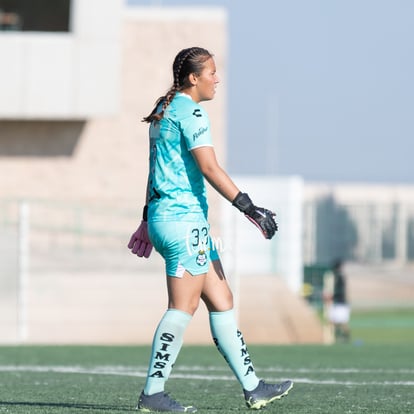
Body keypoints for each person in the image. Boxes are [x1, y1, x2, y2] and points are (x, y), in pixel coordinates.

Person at [128, 46, 293, 412]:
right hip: (183, 223)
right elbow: (210, 168)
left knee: (222, 301)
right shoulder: (192, 112)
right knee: (181, 308)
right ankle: (152, 394)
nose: (217, 79)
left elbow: (157, 170)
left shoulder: (163, 109)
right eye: (212, 73)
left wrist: (145, 220)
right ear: (193, 78)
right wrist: (249, 208)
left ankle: (254, 387)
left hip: (171, 220)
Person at [325, 259, 351, 343]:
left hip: (338, 303)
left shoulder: (335, 277)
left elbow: (331, 291)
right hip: (341, 303)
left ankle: (342, 338)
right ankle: (339, 337)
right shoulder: (341, 277)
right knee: (338, 322)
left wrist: (329, 299)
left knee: (338, 322)